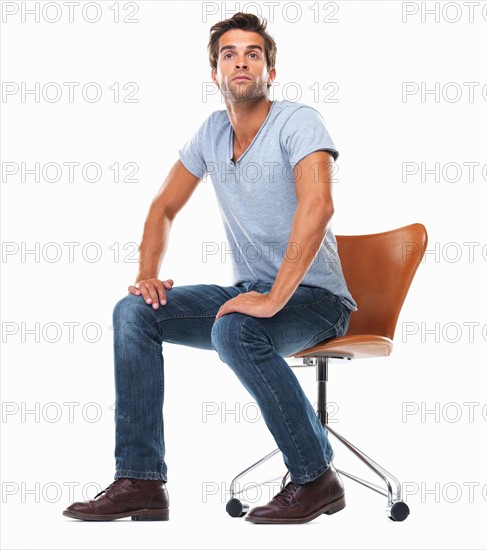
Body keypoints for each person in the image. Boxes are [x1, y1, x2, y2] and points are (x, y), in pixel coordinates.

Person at [63, 11, 357, 524]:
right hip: (250, 292)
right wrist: (147, 274)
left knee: (235, 329)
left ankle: (316, 478)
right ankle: (141, 481)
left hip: (317, 300)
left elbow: (318, 208)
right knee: (134, 312)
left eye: (253, 54)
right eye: (229, 54)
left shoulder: (297, 121)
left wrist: (272, 300)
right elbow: (163, 208)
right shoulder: (211, 133)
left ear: (271, 71)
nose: (241, 62)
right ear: (215, 74)